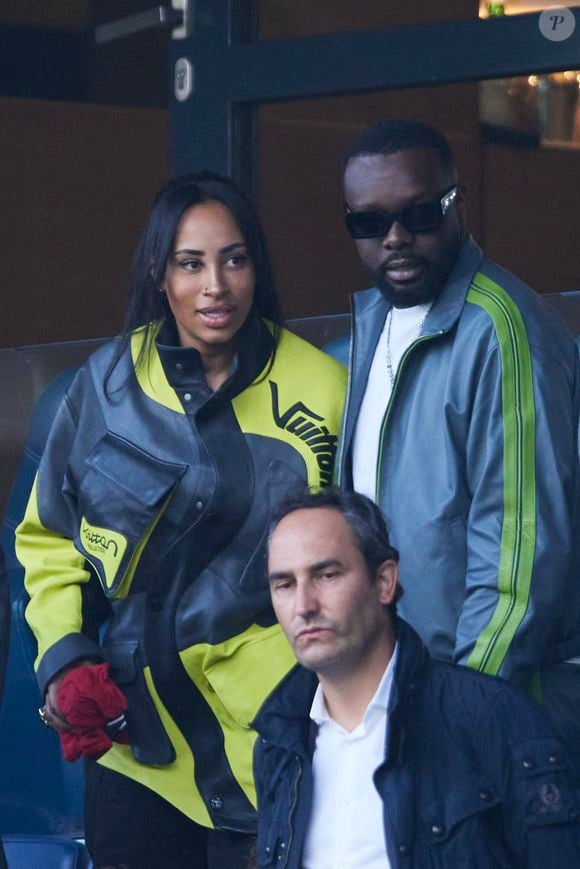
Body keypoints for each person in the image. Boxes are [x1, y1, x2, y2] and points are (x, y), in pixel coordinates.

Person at [14, 172, 346, 869]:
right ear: (159, 274)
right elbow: (49, 540)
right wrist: (65, 656)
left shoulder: (326, 391)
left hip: (278, 746)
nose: (214, 285)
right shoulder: (102, 388)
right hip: (138, 753)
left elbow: (357, 560)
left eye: (234, 258)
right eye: (190, 263)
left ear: (257, 266)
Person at [331, 119, 580, 724]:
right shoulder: (368, 335)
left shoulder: (501, 331)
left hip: (484, 714)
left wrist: (461, 712)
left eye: (418, 215)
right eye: (369, 222)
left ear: (457, 205)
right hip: (393, 701)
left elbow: (520, 556)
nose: (394, 238)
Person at [254, 488, 580, 868]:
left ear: (384, 582)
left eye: (326, 575)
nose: (303, 606)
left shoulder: (495, 718)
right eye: (285, 585)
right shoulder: (277, 743)